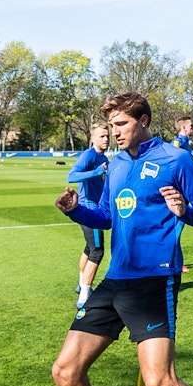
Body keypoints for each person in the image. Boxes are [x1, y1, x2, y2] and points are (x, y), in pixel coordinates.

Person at [50, 91, 193, 386]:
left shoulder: (175, 158)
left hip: (154, 281)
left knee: (160, 381)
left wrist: (185, 210)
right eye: (111, 125)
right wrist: (76, 210)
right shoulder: (114, 166)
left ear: (143, 121)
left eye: (121, 124)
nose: (114, 132)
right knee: (65, 371)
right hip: (115, 281)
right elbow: (108, 217)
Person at [67, 124, 110, 303]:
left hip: (96, 208)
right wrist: (97, 172)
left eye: (107, 136)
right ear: (93, 139)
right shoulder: (89, 155)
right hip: (89, 209)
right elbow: (71, 176)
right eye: (102, 136)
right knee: (97, 251)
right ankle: (84, 297)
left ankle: (81, 285)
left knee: (89, 247)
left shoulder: (102, 156)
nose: (106, 139)